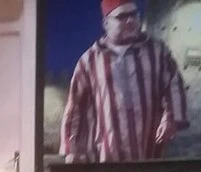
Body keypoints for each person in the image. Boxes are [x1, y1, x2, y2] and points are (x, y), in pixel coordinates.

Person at [60, 0, 189, 163]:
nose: (130, 21)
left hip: (149, 151)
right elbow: (76, 106)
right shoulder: (90, 60)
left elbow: (173, 85)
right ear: (106, 24)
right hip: (106, 155)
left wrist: (170, 118)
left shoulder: (157, 52)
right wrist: (71, 150)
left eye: (133, 15)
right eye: (122, 16)